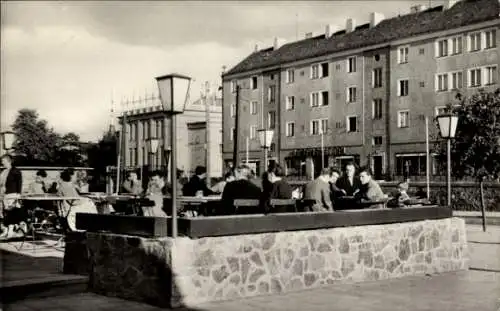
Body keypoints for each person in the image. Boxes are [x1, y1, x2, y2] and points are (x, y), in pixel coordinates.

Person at [0, 154, 25, 239]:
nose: (2, 162)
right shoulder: (4, 171)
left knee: (11, 212)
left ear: (8, 161)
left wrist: (18, 194)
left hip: (12, 194)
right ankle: (6, 231)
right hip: (5, 195)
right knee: (6, 213)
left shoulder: (15, 171)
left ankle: (11, 231)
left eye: (3, 160)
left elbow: (19, 182)